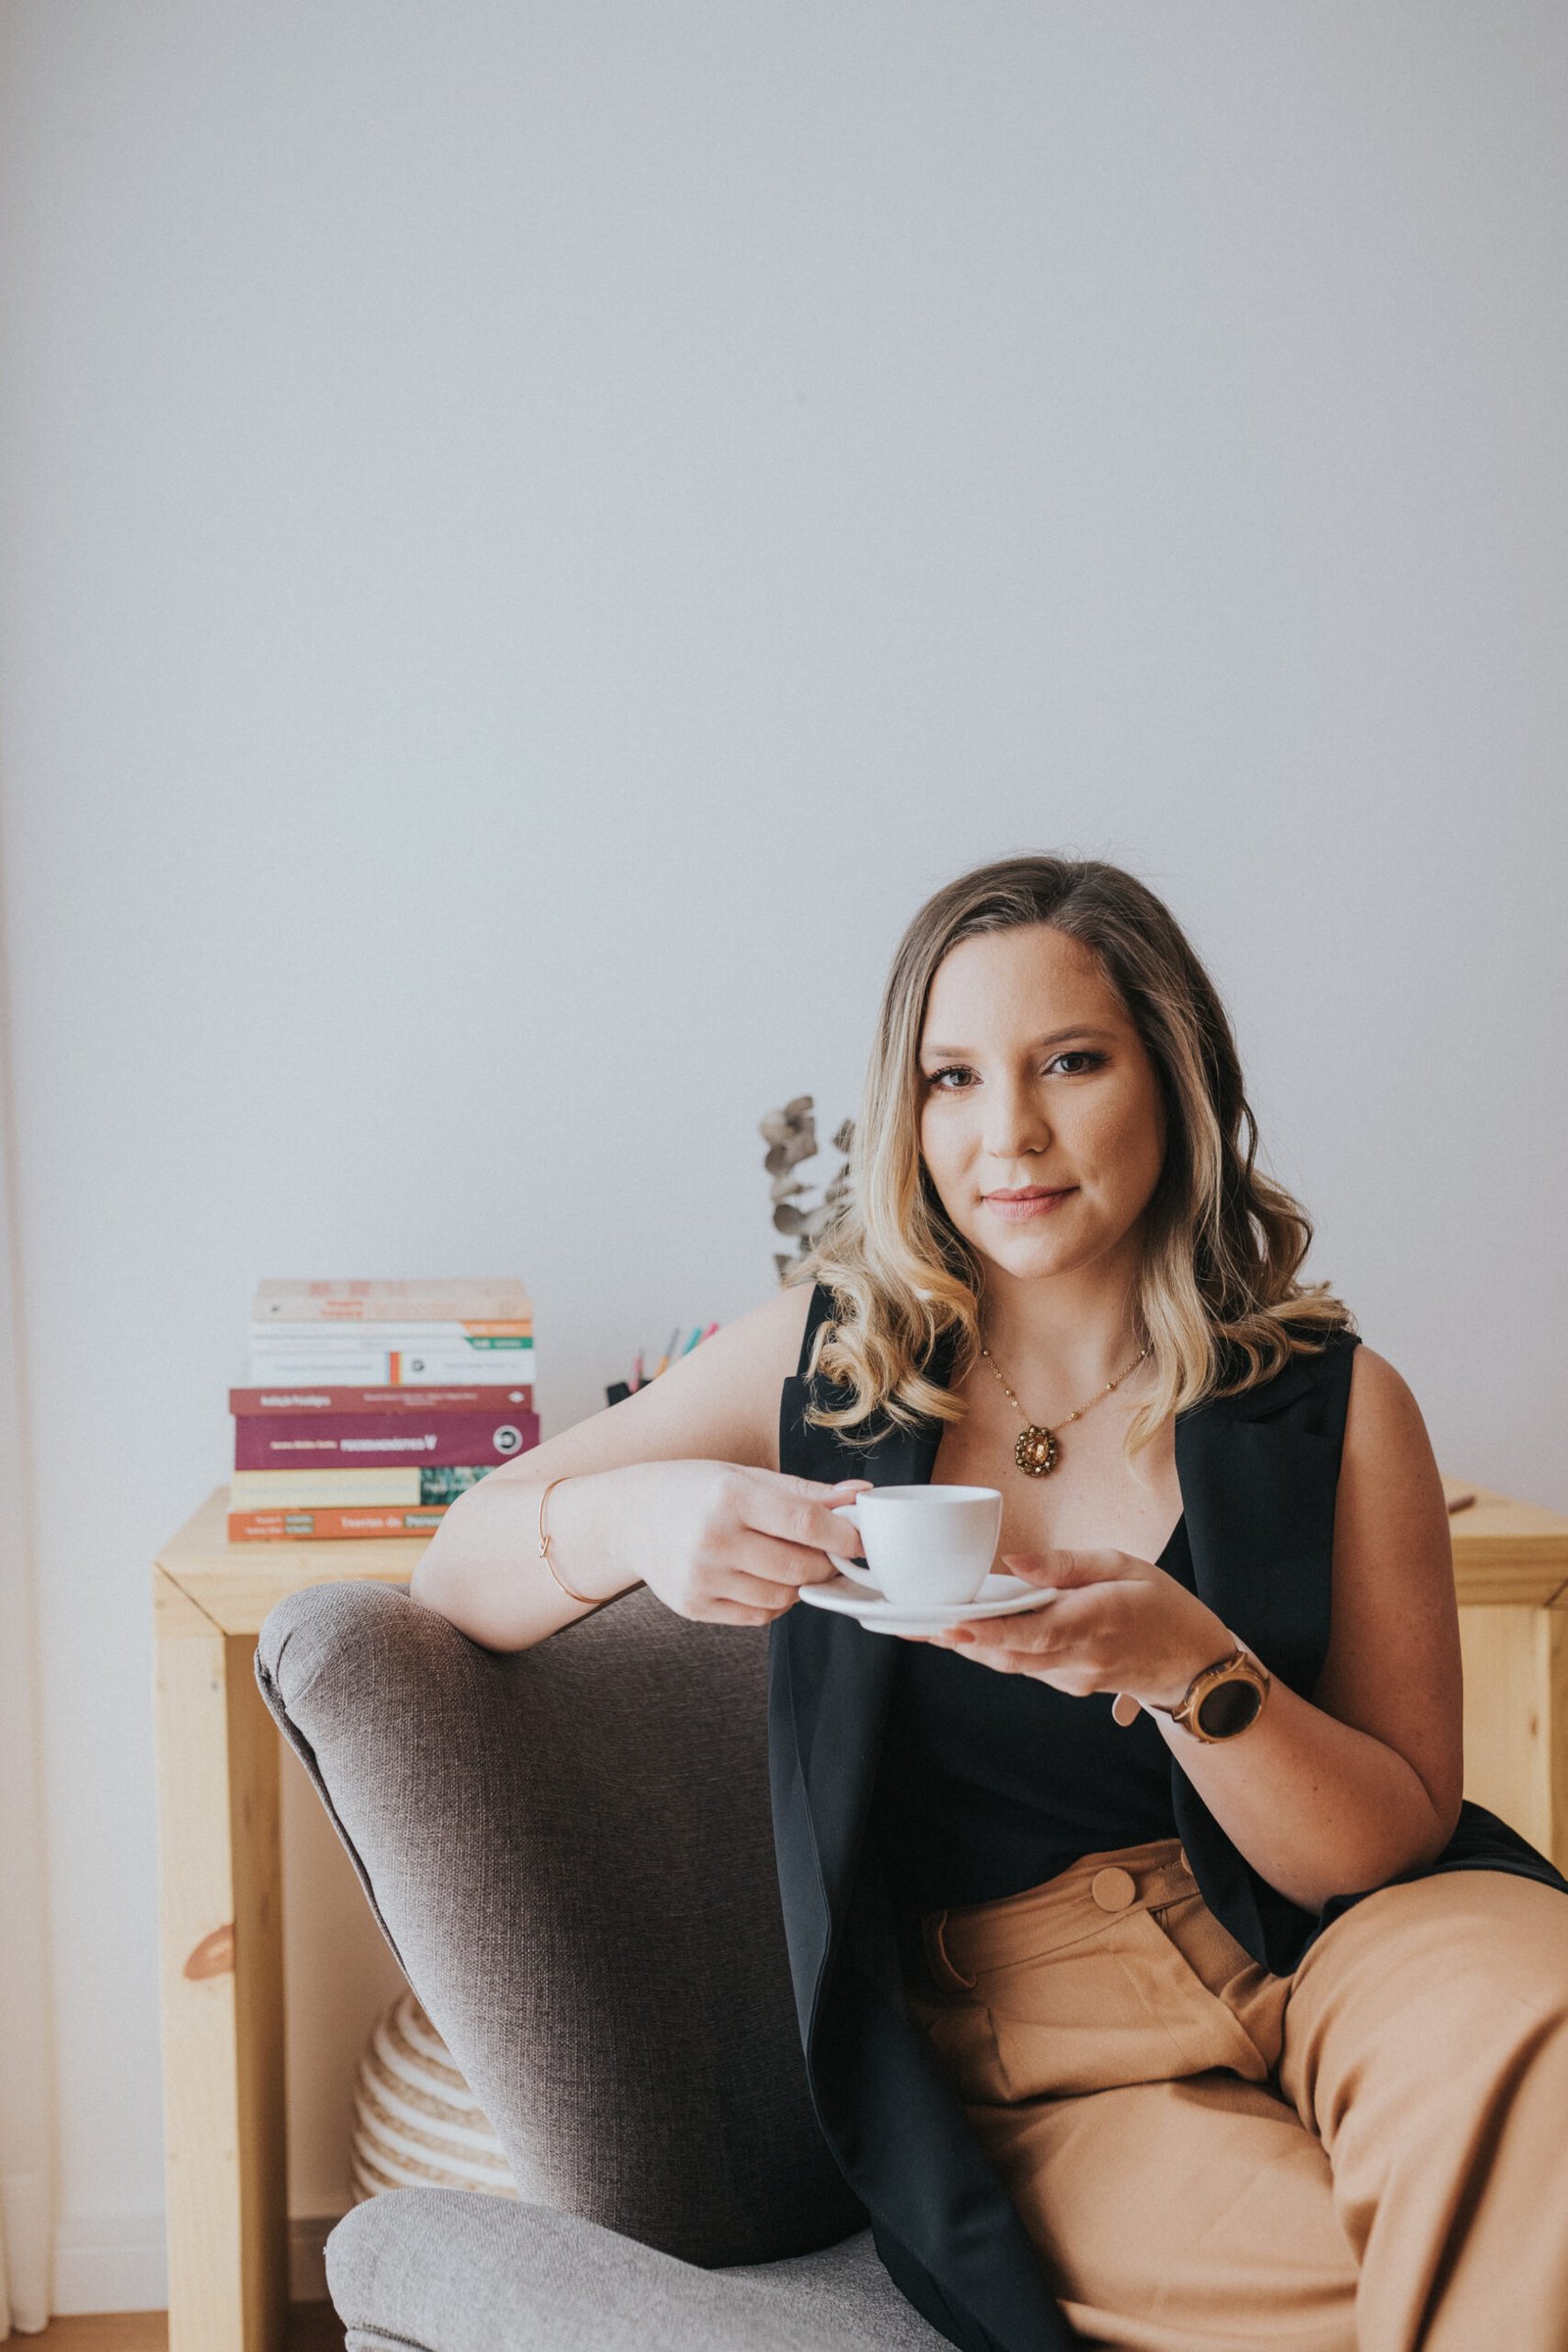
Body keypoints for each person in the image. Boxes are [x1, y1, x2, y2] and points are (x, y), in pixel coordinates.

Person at [411, 854, 1568, 2352]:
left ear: (1175, 1081)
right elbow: (457, 1570)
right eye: (953, 1078)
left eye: (1070, 1062)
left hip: (1361, 1948)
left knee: (1544, 2045)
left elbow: (1384, 1850)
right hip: (1044, 2031)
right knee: (1385, 2298)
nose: (1007, 1131)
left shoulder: (1339, 1408)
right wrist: (639, 1518)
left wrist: (1188, 1668)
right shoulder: (830, 1364)